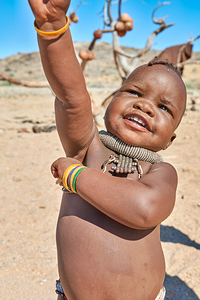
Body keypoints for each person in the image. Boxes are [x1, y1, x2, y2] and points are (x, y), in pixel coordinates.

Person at [28, 0, 187, 299]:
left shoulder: (161, 171)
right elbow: (71, 96)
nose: (145, 105)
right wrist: (53, 27)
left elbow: (145, 209)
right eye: (134, 92)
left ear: (170, 140)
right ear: (111, 100)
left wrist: (76, 176)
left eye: (164, 107)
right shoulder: (89, 145)